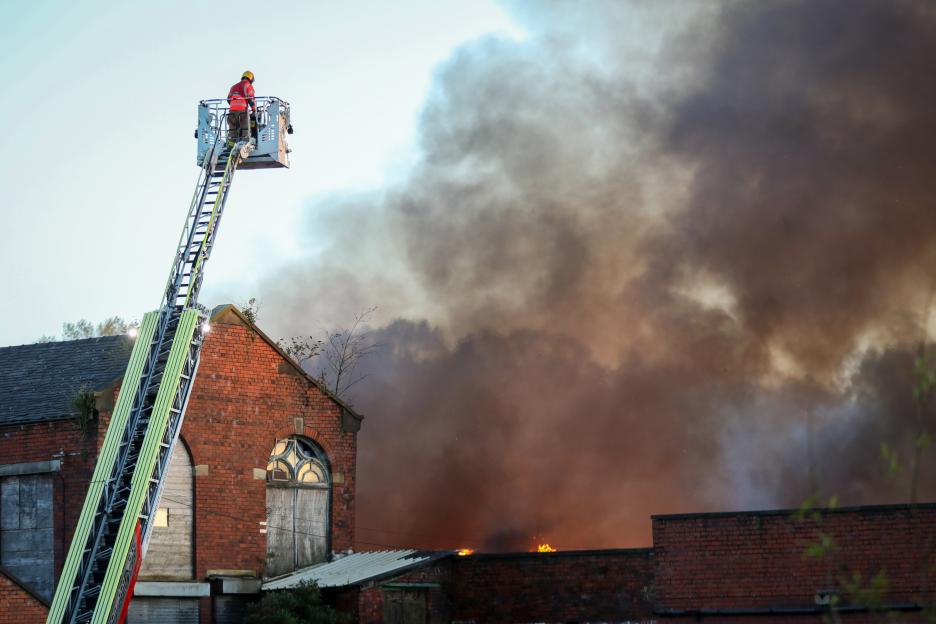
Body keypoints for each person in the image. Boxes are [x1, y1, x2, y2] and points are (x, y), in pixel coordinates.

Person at [227, 71, 257, 142]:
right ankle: (244, 142)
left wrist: (234, 106)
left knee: (232, 129)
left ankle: (231, 144)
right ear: (251, 79)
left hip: (231, 112)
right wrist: (254, 110)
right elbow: (251, 99)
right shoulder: (248, 85)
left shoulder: (233, 87)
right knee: (245, 128)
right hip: (242, 111)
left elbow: (228, 99)